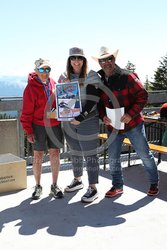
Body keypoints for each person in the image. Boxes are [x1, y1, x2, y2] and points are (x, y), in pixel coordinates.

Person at [92, 46, 159, 197]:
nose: (107, 62)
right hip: (113, 126)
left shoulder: (128, 76)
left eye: (110, 59)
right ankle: (117, 186)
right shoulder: (99, 80)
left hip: (133, 124)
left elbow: (143, 95)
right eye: (103, 60)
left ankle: (154, 183)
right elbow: (99, 104)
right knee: (113, 157)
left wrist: (130, 114)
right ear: (100, 63)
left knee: (144, 155)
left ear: (114, 60)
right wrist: (103, 116)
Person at [58, 47, 100, 203]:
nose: (76, 61)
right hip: (69, 122)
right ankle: (78, 180)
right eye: (73, 58)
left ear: (84, 60)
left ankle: (93, 187)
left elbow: (93, 100)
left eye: (79, 58)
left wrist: (81, 118)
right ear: (69, 60)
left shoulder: (91, 75)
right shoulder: (63, 76)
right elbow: (61, 99)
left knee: (90, 155)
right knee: (75, 151)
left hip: (87, 121)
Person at [20, 58, 64, 200]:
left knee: (55, 154)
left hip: (55, 124)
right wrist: (28, 131)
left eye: (47, 69)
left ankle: (55, 185)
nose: (45, 72)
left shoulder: (53, 83)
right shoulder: (30, 88)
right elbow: (26, 112)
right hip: (38, 126)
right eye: (42, 69)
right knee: (38, 156)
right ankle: (38, 186)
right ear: (36, 70)